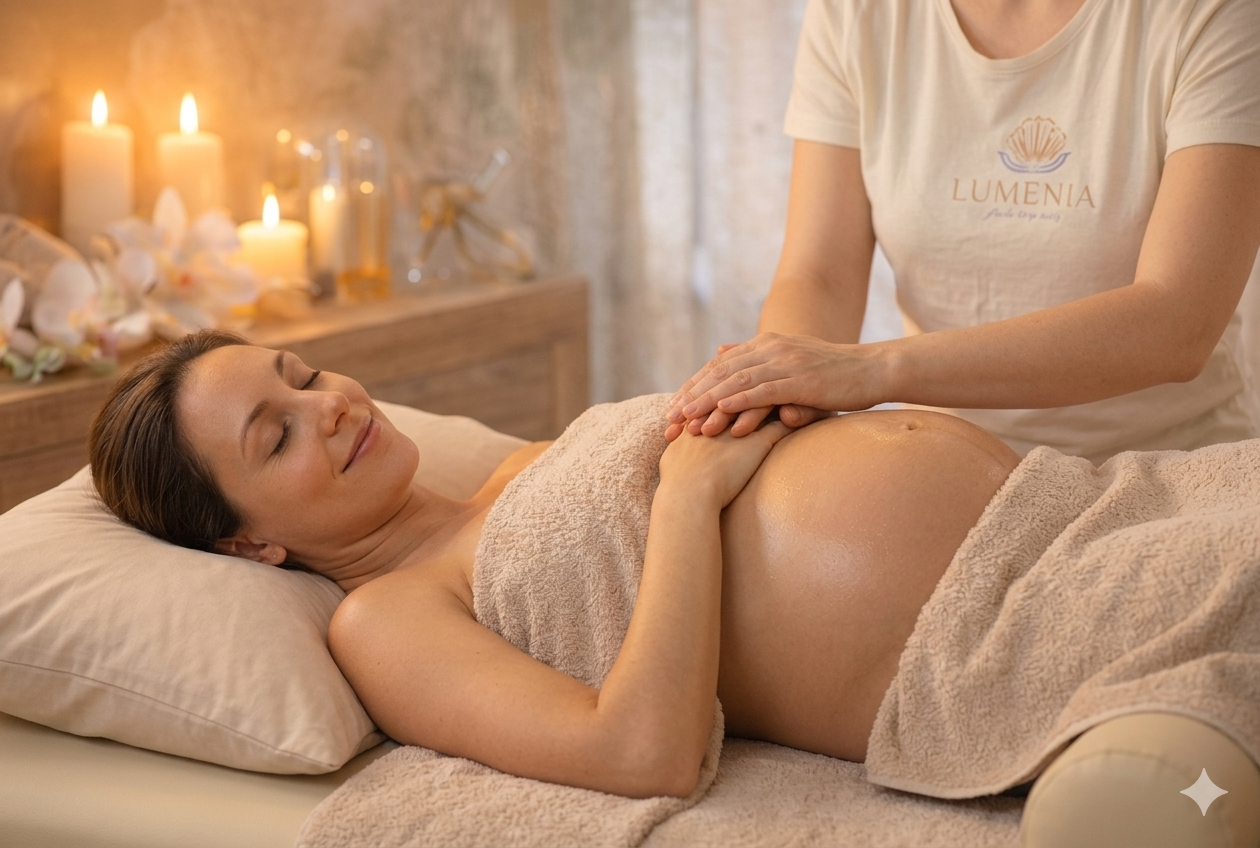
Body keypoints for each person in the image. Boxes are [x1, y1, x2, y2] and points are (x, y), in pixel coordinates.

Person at [88, 330, 1018, 798]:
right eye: (277, 435)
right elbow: (640, 754)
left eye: (303, 376)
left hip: (1049, 507)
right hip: (988, 643)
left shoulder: (514, 467)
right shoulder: (384, 617)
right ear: (248, 544)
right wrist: (687, 498)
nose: (327, 406)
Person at [665, 0, 1260, 464]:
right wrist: (768, 397)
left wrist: (872, 370)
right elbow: (818, 274)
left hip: (1163, 472)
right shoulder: (856, 12)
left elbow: (1178, 323)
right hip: (942, 470)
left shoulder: (1215, 13)